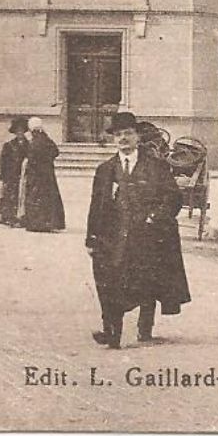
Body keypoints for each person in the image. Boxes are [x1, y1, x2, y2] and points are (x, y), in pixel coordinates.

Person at [85, 111, 191, 349]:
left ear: (137, 137)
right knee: (109, 281)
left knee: (144, 283)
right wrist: (91, 238)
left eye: (128, 134)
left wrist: (155, 218)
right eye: (119, 134)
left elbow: (173, 198)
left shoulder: (155, 166)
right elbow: (96, 206)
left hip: (146, 237)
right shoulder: (105, 169)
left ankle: (145, 327)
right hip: (113, 237)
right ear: (114, 139)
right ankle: (112, 332)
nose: (123, 138)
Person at [19, 117, 66, 232]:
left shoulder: (34, 140)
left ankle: (37, 224)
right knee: (49, 196)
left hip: (36, 174)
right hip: (47, 173)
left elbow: (32, 156)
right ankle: (51, 222)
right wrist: (48, 160)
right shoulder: (46, 138)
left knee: (36, 197)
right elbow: (56, 151)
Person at [0, 117, 29, 226]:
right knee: (10, 196)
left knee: (23, 196)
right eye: (17, 131)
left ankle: (22, 217)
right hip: (11, 175)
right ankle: (8, 217)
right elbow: (3, 162)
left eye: (22, 130)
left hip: (23, 175)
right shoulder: (9, 145)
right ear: (14, 132)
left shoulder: (29, 144)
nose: (20, 133)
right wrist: (3, 176)